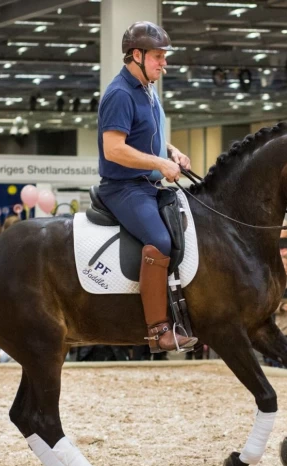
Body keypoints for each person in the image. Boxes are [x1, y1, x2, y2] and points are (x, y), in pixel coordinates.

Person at [97, 20, 197, 353]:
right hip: (123, 187)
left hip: (148, 184)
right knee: (158, 239)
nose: (163, 64)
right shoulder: (120, 93)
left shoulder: (146, 90)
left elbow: (147, 135)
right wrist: (159, 164)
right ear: (136, 55)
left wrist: (171, 151)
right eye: (158, 56)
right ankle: (157, 331)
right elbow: (114, 149)